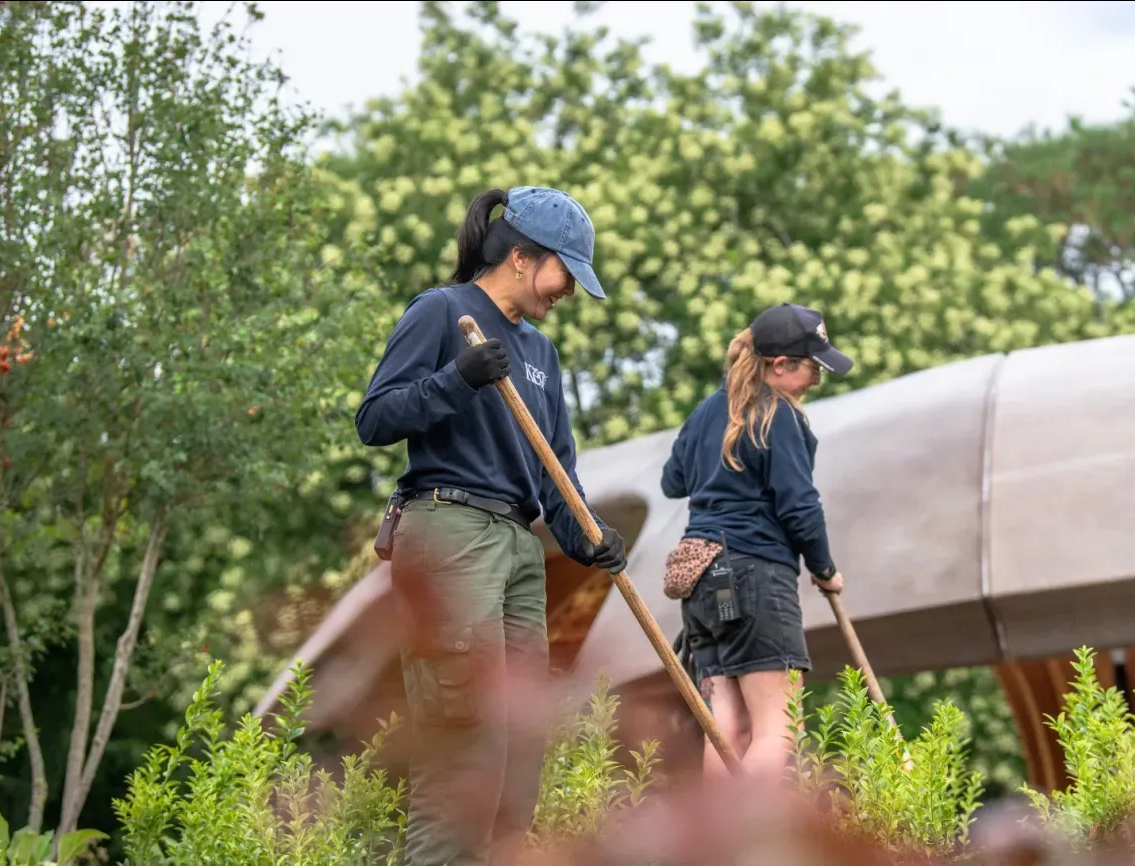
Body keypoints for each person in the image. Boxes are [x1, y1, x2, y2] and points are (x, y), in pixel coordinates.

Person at [356, 186, 628, 866]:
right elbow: (376, 419)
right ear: (522, 257)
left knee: (517, 763)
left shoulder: (542, 354)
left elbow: (555, 472)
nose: (568, 291)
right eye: (566, 273)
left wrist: (591, 538)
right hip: (450, 533)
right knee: (461, 757)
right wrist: (459, 379)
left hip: (516, 546)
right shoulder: (443, 312)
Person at [659, 302, 854, 779]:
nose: (816, 380)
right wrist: (825, 569)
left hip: (705, 580)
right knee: (779, 729)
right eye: (813, 367)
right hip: (756, 577)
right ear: (781, 364)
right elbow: (799, 506)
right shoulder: (778, 416)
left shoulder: (711, 409)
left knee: (729, 728)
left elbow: (673, 480)